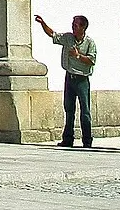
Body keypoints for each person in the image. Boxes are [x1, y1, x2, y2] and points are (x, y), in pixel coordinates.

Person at [34, 12, 97, 148]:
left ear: (83, 28)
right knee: (69, 109)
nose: (73, 27)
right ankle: (68, 138)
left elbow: (92, 60)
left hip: (82, 79)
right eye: (73, 25)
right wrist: (42, 23)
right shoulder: (68, 38)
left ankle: (87, 140)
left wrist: (78, 56)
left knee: (85, 111)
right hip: (69, 77)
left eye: (76, 25)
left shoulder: (89, 42)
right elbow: (53, 34)